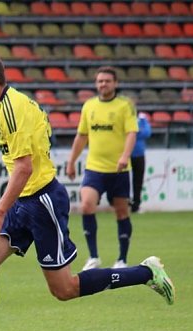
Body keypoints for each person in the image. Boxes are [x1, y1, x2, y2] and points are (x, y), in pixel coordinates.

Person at [0, 53, 174, 331]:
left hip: (42, 202)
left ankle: (146, 273)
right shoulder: (9, 105)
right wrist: (4, 208)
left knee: (64, 289)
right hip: (25, 201)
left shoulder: (11, 110)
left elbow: (24, 168)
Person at [67, 66, 139, 270]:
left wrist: (125, 156)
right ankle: (93, 257)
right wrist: (72, 161)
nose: (103, 84)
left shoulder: (125, 105)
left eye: (107, 81)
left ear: (115, 83)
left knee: (122, 212)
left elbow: (131, 133)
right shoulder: (89, 106)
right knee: (87, 205)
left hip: (119, 170)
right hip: (94, 169)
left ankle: (122, 259)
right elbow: (82, 135)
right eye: (100, 81)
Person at [131, 110, 151, 213]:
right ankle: (124, 204)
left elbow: (147, 133)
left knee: (138, 181)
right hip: (126, 154)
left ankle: (136, 205)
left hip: (139, 154)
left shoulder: (142, 119)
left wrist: (135, 132)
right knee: (124, 181)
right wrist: (137, 132)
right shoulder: (125, 118)